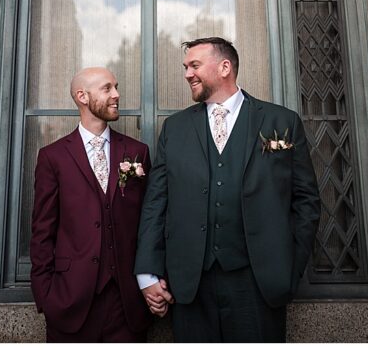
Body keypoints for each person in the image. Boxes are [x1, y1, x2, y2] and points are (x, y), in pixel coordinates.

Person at [135, 36, 320, 342]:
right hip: (190, 284)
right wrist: (147, 273)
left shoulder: (281, 121)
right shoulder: (175, 128)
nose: (187, 74)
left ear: (224, 67)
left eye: (194, 65)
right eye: (185, 67)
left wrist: (289, 268)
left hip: (259, 283)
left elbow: (306, 202)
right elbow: (156, 203)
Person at [30, 67, 153, 342]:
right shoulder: (53, 157)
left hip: (127, 303)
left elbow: (150, 223)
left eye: (116, 87)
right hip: (70, 301)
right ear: (82, 96)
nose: (117, 95)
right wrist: (46, 296)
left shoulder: (137, 152)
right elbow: (42, 231)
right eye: (107, 88)